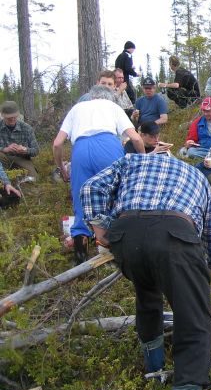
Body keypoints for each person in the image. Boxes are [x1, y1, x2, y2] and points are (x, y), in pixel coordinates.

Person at [80, 153, 211, 390]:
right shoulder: (198, 179)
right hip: (174, 235)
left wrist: (101, 231)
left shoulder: (132, 161)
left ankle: (153, 366)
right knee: (194, 318)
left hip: (126, 234)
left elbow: (90, 188)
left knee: (147, 293)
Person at [52, 85, 145, 264]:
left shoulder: (77, 108)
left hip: (80, 150)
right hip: (109, 146)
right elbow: (136, 139)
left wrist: (62, 169)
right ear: (110, 98)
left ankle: (80, 255)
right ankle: (116, 250)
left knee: (80, 198)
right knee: (115, 196)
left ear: (91, 97)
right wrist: (143, 162)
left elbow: (57, 144)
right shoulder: (113, 107)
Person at [0, 101, 39, 180]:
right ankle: (6, 177)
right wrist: (5, 149)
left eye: (14, 117)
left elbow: (36, 150)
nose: (12, 119)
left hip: (22, 159)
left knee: (34, 179)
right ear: (3, 116)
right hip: (3, 158)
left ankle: (14, 175)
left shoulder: (27, 128)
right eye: (9, 118)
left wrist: (25, 150)